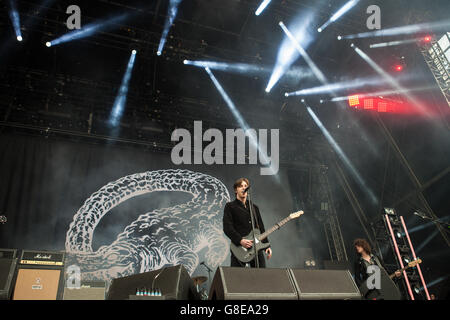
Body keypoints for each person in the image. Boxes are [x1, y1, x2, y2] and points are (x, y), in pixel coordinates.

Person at [223, 178, 272, 268]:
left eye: (245, 186)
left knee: (262, 275)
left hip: (256, 247)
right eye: (241, 186)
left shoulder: (254, 208)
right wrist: (240, 240)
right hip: (239, 248)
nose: (243, 188)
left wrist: (266, 245)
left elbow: (261, 228)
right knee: (237, 277)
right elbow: (227, 228)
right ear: (235, 190)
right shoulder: (230, 206)